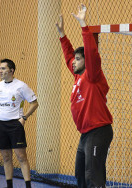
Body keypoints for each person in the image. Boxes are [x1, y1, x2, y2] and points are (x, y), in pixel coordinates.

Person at [56, 4, 113, 188]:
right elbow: (68, 57)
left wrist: (83, 24)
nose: (74, 62)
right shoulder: (78, 76)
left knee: (92, 175)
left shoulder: (92, 74)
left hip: (98, 131)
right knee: (80, 173)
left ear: (86, 61)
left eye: (78, 59)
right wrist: (62, 34)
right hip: (86, 134)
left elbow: (91, 52)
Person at [0, 58, 38, 188]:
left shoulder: (21, 86)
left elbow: (34, 103)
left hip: (15, 125)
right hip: (0, 125)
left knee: (21, 157)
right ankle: (9, 186)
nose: (0, 71)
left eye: (3, 68)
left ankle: (28, 186)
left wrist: (23, 118)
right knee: (6, 158)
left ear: (11, 70)